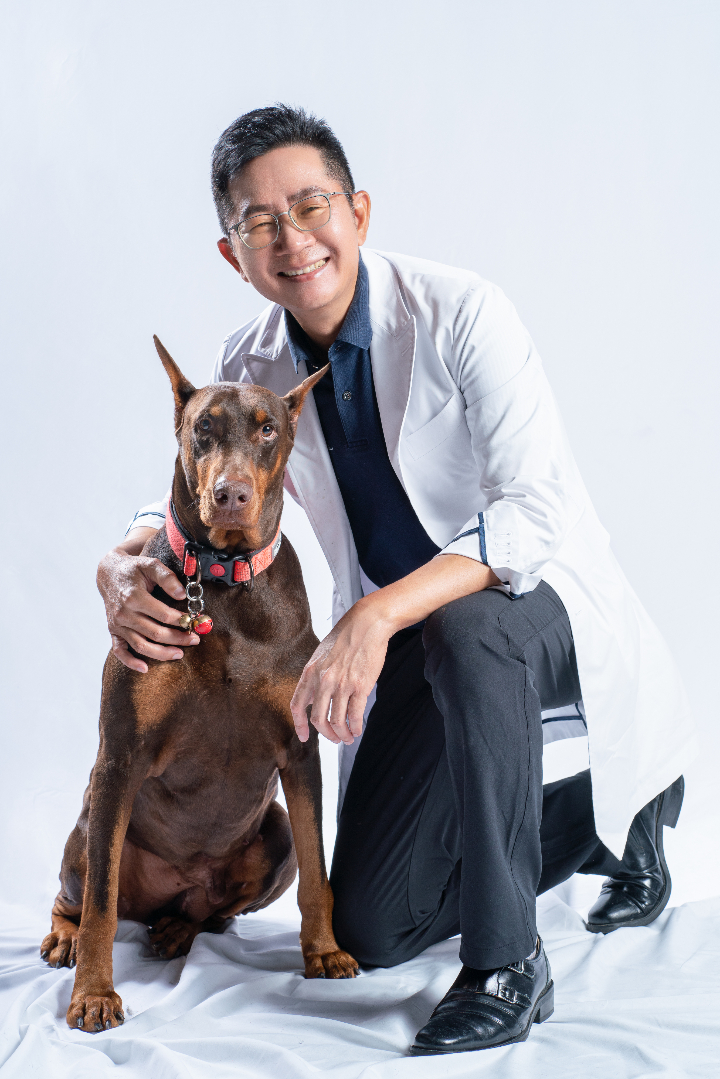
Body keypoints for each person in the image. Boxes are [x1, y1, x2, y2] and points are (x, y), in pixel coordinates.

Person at [97, 105, 696, 1055]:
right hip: (402, 645)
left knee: (465, 625)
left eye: (311, 206)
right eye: (260, 222)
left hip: (530, 607)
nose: (293, 239)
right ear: (232, 255)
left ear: (359, 211)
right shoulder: (250, 362)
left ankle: (508, 963)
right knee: (374, 923)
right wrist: (121, 556)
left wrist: (376, 614)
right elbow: (201, 478)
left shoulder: (464, 312)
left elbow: (534, 513)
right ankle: (608, 822)